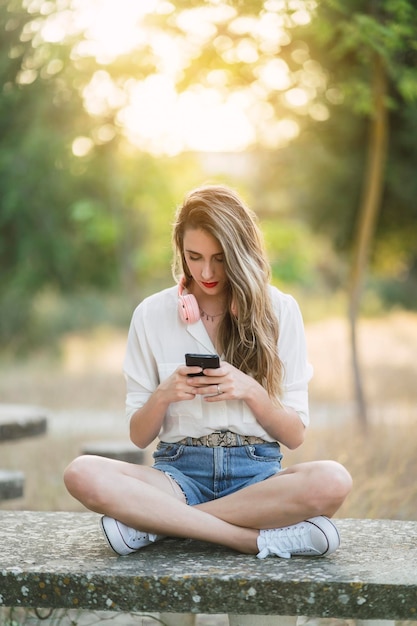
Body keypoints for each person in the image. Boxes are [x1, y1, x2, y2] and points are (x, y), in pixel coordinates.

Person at [64, 184, 352, 559]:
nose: (206, 271)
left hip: (258, 478)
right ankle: (250, 540)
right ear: (180, 252)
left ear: (241, 252)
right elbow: (138, 436)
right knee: (81, 472)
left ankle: (159, 526)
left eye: (220, 258)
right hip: (177, 475)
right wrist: (164, 394)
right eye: (194, 256)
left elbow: (294, 435)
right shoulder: (150, 314)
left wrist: (251, 390)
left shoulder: (280, 310)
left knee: (333, 480)